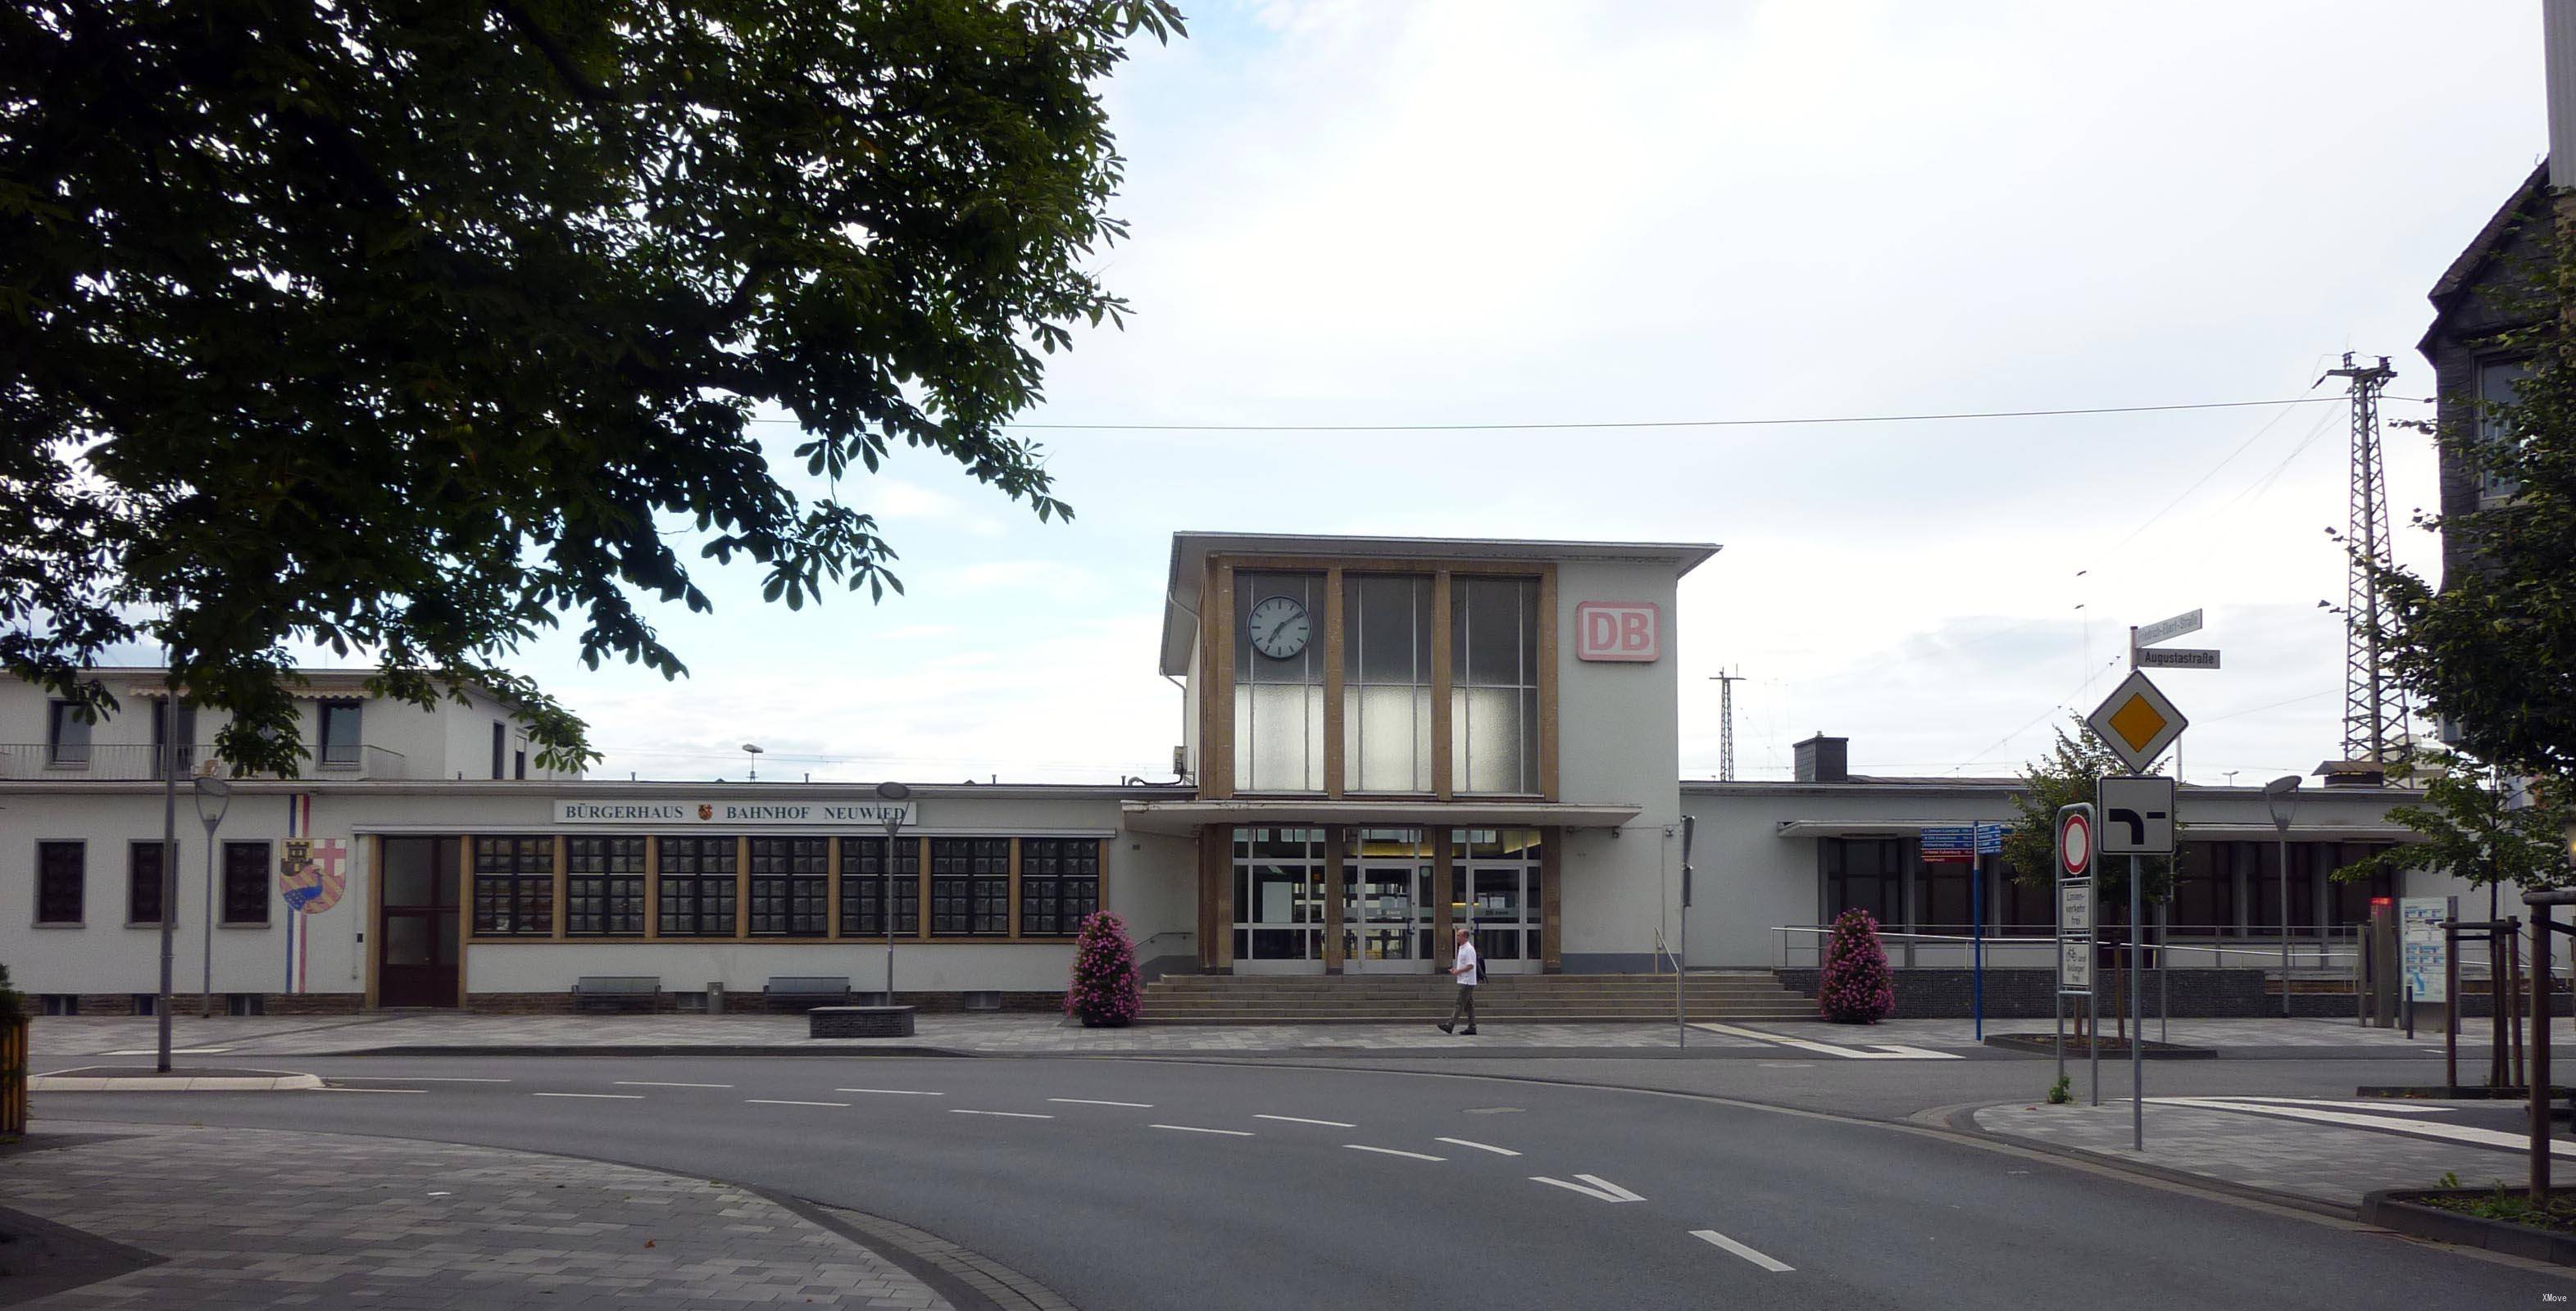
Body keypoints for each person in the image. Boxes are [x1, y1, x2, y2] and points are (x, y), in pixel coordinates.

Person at [1437, 925, 1479, 1036]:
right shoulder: (1462, 948)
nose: (1457, 937)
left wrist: (1458, 971)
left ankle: (1450, 1025)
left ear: (1465, 937)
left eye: (1459, 936)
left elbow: (1471, 965)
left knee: (1460, 1003)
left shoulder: (1469, 949)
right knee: (1469, 1005)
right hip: (1464, 980)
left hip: (1467, 981)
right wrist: (1457, 970)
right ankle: (1472, 1027)